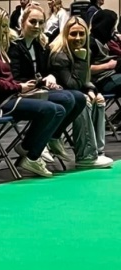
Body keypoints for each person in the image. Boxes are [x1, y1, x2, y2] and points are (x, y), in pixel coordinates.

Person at [0, 5, 66, 177]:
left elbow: (2, 78)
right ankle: (32, 155)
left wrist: (24, 86)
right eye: (3, 26)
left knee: (59, 109)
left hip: (8, 97)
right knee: (50, 109)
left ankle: (28, 148)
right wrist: (19, 87)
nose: (6, 30)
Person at [8, 4, 85, 164]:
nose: (37, 26)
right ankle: (31, 147)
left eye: (41, 22)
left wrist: (51, 77)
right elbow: (15, 78)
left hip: (38, 90)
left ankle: (53, 136)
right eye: (33, 22)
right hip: (21, 93)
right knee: (66, 99)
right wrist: (42, 81)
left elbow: (48, 71)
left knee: (79, 98)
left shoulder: (41, 46)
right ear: (22, 22)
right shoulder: (14, 47)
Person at [49, 16, 114, 168]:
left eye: (81, 34)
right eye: (73, 34)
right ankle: (85, 155)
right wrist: (80, 60)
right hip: (59, 95)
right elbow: (71, 84)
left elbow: (85, 79)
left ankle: (98, 152)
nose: (78, 38)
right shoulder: (60, 55)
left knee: (99, 100)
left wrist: (92, 89)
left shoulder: (85, 50)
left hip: (73, 91)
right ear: (66, 34)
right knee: (83, 101)